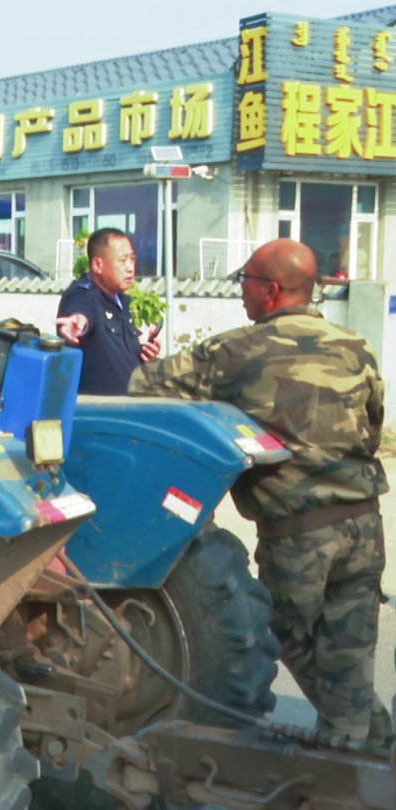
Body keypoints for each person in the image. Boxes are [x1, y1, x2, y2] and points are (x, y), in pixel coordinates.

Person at [128, 238, 392, 747]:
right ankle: (366, 747)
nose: (241, 293)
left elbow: (144, 383)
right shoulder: (356, 347)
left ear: (270, 291)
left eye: (245, 281)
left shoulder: (238, 351)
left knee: (292, 640)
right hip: (365, 523)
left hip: (300, 533)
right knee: (350, 651)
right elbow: (372, 430)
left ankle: (358, 751)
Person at [55, 227, 161, 394]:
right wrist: (79, 320)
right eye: (123, 260)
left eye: (132, 260)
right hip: (100, 411)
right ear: (98, 265)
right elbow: (83, 309)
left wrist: (143, 355)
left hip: (130, 405)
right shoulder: (83, 294)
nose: (130, 268)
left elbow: (114, 356)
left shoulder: (121, 301)